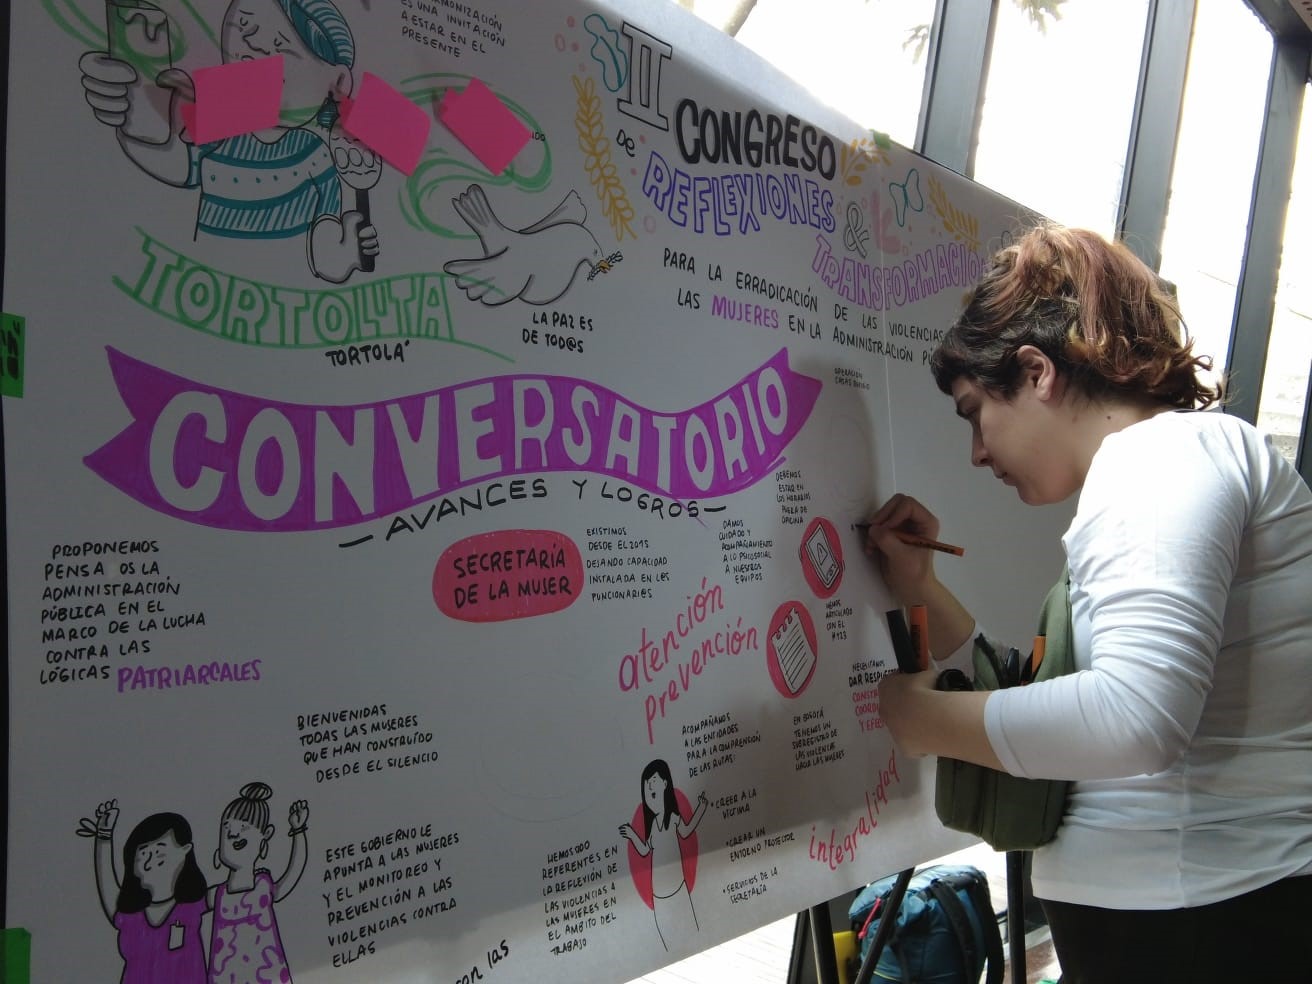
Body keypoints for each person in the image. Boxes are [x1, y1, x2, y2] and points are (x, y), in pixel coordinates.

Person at [867, 222, 1312, 983]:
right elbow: (1060, 696)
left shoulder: (1165, 458)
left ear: (1037, 372)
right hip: (1198, 920)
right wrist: (920, 591)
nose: (977, 451)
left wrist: (921, 719)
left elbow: (1134, 717)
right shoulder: (1169, 465)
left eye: (975, 410)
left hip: (1205, 926)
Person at [79, 0, 378, 282]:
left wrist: (342, 257)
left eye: (278, 49)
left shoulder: (314, 154)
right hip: (205, 283)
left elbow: (324, 241)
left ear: (337, 81)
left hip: (281, 291)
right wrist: (132, 120)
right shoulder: (221, 140)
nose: (253, 62)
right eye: (243, 46)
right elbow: (172, 164)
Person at [89, 802, 209, 984]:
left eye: (160, 852)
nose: (150, 861)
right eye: (143, 854)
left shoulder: (194, 905)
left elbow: (237, 892)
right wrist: (104, 835)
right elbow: (105, 881)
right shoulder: (130, 916)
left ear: (185, 851)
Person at [207, 782, 309, 984]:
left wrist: (298, 831)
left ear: (265, 836)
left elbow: (294, 871)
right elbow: (185, 904)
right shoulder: (217, 895)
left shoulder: (264, 886)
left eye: (243, 830)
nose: (234, 835)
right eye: (227, 832)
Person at [618, 759, 709, 950]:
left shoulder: (673, 818)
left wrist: (701, 808)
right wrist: (632, 835)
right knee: (668, 940)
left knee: (690, 931)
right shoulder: (651, 825)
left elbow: (686, 831)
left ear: (665, 784)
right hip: (658, 894)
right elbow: (644, 851)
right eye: (647, 792)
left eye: (654, 789)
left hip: (678, 888)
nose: (651, 796)